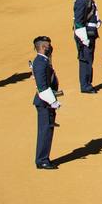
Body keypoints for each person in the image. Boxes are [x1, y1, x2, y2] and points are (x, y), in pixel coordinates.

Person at [31, 35, 61, 168]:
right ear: (43, 47)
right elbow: (43, 88)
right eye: (48, 46)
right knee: (45, 131)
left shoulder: (43, 61)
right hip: (45, 102)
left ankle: (44, 158)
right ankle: (42, 160)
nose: (51, 48)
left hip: (46, 101)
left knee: (48, 130)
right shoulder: (40, 63)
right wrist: (53, 102)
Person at [72, 0, 101, 93]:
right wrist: (84, 39)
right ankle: (86, 86)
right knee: (86, 60)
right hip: (85, 35)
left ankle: (87, 84)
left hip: (90, 33)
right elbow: (78, 22)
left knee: (89, 60)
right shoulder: (81, 1)